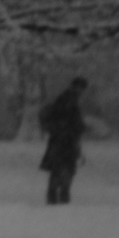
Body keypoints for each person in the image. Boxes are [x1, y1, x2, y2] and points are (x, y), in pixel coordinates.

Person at [39, 76, 89, 205]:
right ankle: (59, 196)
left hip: (61, 140)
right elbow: (68, 120)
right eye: (81, 88)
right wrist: (79, 128)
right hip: (64, 140)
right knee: (63, 168)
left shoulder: (67, 99)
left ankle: (57, 195)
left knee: (61, 168)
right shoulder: (68, 100)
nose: (82, 91)